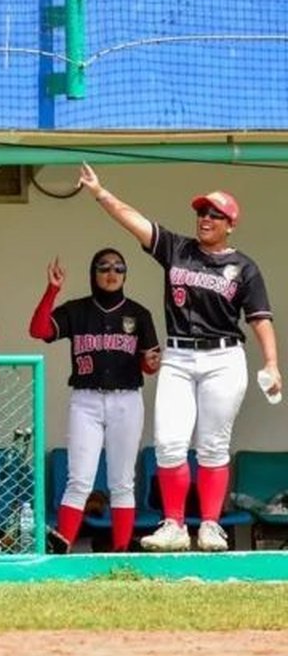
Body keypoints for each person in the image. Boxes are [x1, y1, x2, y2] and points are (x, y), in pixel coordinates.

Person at [79, 163, 279, 552]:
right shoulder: (177, 248)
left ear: (230, 224)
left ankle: (209, 525)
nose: (205, 219)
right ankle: (173, 524)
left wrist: (271, 363)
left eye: (214, 214)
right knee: (169, 442)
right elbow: (133, 220)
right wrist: (100, 192)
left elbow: (260, 320)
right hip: (178, 356)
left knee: (213, 445)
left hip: (223, 358)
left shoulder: (244, 268)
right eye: (202, 212)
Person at [28, 249, 160, 552]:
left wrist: (152, 363)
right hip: (86, 400)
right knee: (79, 481)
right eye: (104, 268)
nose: (112, 273)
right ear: (94, 273)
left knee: (122, 482)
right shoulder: (77, 309)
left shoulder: (138, 313)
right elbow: (39, 330)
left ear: (125, 274)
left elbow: (147, 364)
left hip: (126, 399)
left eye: (118, 268)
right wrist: (52, 290)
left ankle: (121, 552)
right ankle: (62, 549)